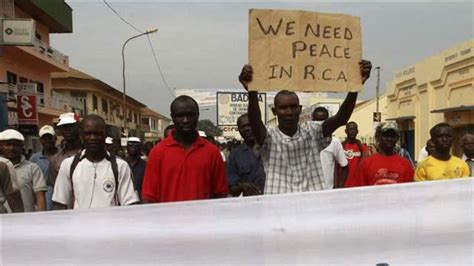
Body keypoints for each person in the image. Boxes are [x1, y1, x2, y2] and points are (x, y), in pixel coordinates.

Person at [238, 60, 372, 194]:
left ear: (300, 109)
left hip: (312, 207)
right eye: (283, 108)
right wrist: (252, 91)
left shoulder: (313, 132)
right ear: (275, 111)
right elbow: (255, 121)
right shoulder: (268, 137)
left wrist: (355, 87)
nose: (289, 112)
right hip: (278, 208)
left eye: (293, 107)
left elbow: (341, 118)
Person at [141, 95, 228, 203]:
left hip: (204, 219)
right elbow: (149, 197)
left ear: (197, 116)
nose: (185, 120)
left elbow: (220, 194)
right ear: (172, 117)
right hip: (167, 219)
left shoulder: (212, 152)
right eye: (180, 116)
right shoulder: (157, 152)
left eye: (190, 115)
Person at [53, 115, 139, 209]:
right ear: (81, 135)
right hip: (79, 223)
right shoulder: (68, 165)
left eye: (98, 134)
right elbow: (60, 204)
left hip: (112, 223)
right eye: (88, 133)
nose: (93, 138)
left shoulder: (120, 166)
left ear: (105, 134)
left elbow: (129, 205)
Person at [345, 122, 413, 187]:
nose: (389, 138)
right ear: (378, 137)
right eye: (385, 135)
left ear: (397, 138)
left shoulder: (405, 165)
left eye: (392, 136)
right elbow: (359, 192)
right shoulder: (366, 164)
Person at [1, 129, 46, 212]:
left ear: (22, 147)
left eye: (16, 145)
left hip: (27, 220)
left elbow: (40, 197)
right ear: (1, 146)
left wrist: (41, 219)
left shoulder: (32, 168)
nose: (12, 148)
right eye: (8, 144)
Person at [227, 114, 265, 197]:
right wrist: (242, 186)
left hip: (273, 202)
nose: (247, 129)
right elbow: (231, 189)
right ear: (239, 130)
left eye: (250, 125)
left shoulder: (270, 147)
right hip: (248, 205)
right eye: (243, 127)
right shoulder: (235, 155)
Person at [312, 107, 348, 189]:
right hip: (308, 193)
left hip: (327, 192)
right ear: (312, 120)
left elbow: (345, 166)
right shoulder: (304, 140)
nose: (319, 123)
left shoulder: (334, 142)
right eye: (316, 120)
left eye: (322, 120)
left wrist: (339, 188)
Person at [48, 112, 83, 196]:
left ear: (78, 127)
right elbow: (55, 187)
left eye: (71, 126)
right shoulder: (55, 160)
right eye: (64, 127)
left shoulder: (90, 153)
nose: (68, 129)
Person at [30, 125, 58, 210]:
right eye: (44, 138)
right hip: (43, 202)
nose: (47, 141)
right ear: (40, 140)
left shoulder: (63, 156)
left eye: (49, 138)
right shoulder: (34, 159)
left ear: (55, 138)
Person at [342, 121, 368, 187]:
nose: (352, 131)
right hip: (344, 184)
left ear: (357, 131)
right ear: (346, 131)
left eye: (354, 129)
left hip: (357, 185)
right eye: (350, 129)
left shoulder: (362, 148)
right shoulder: (341, 146)